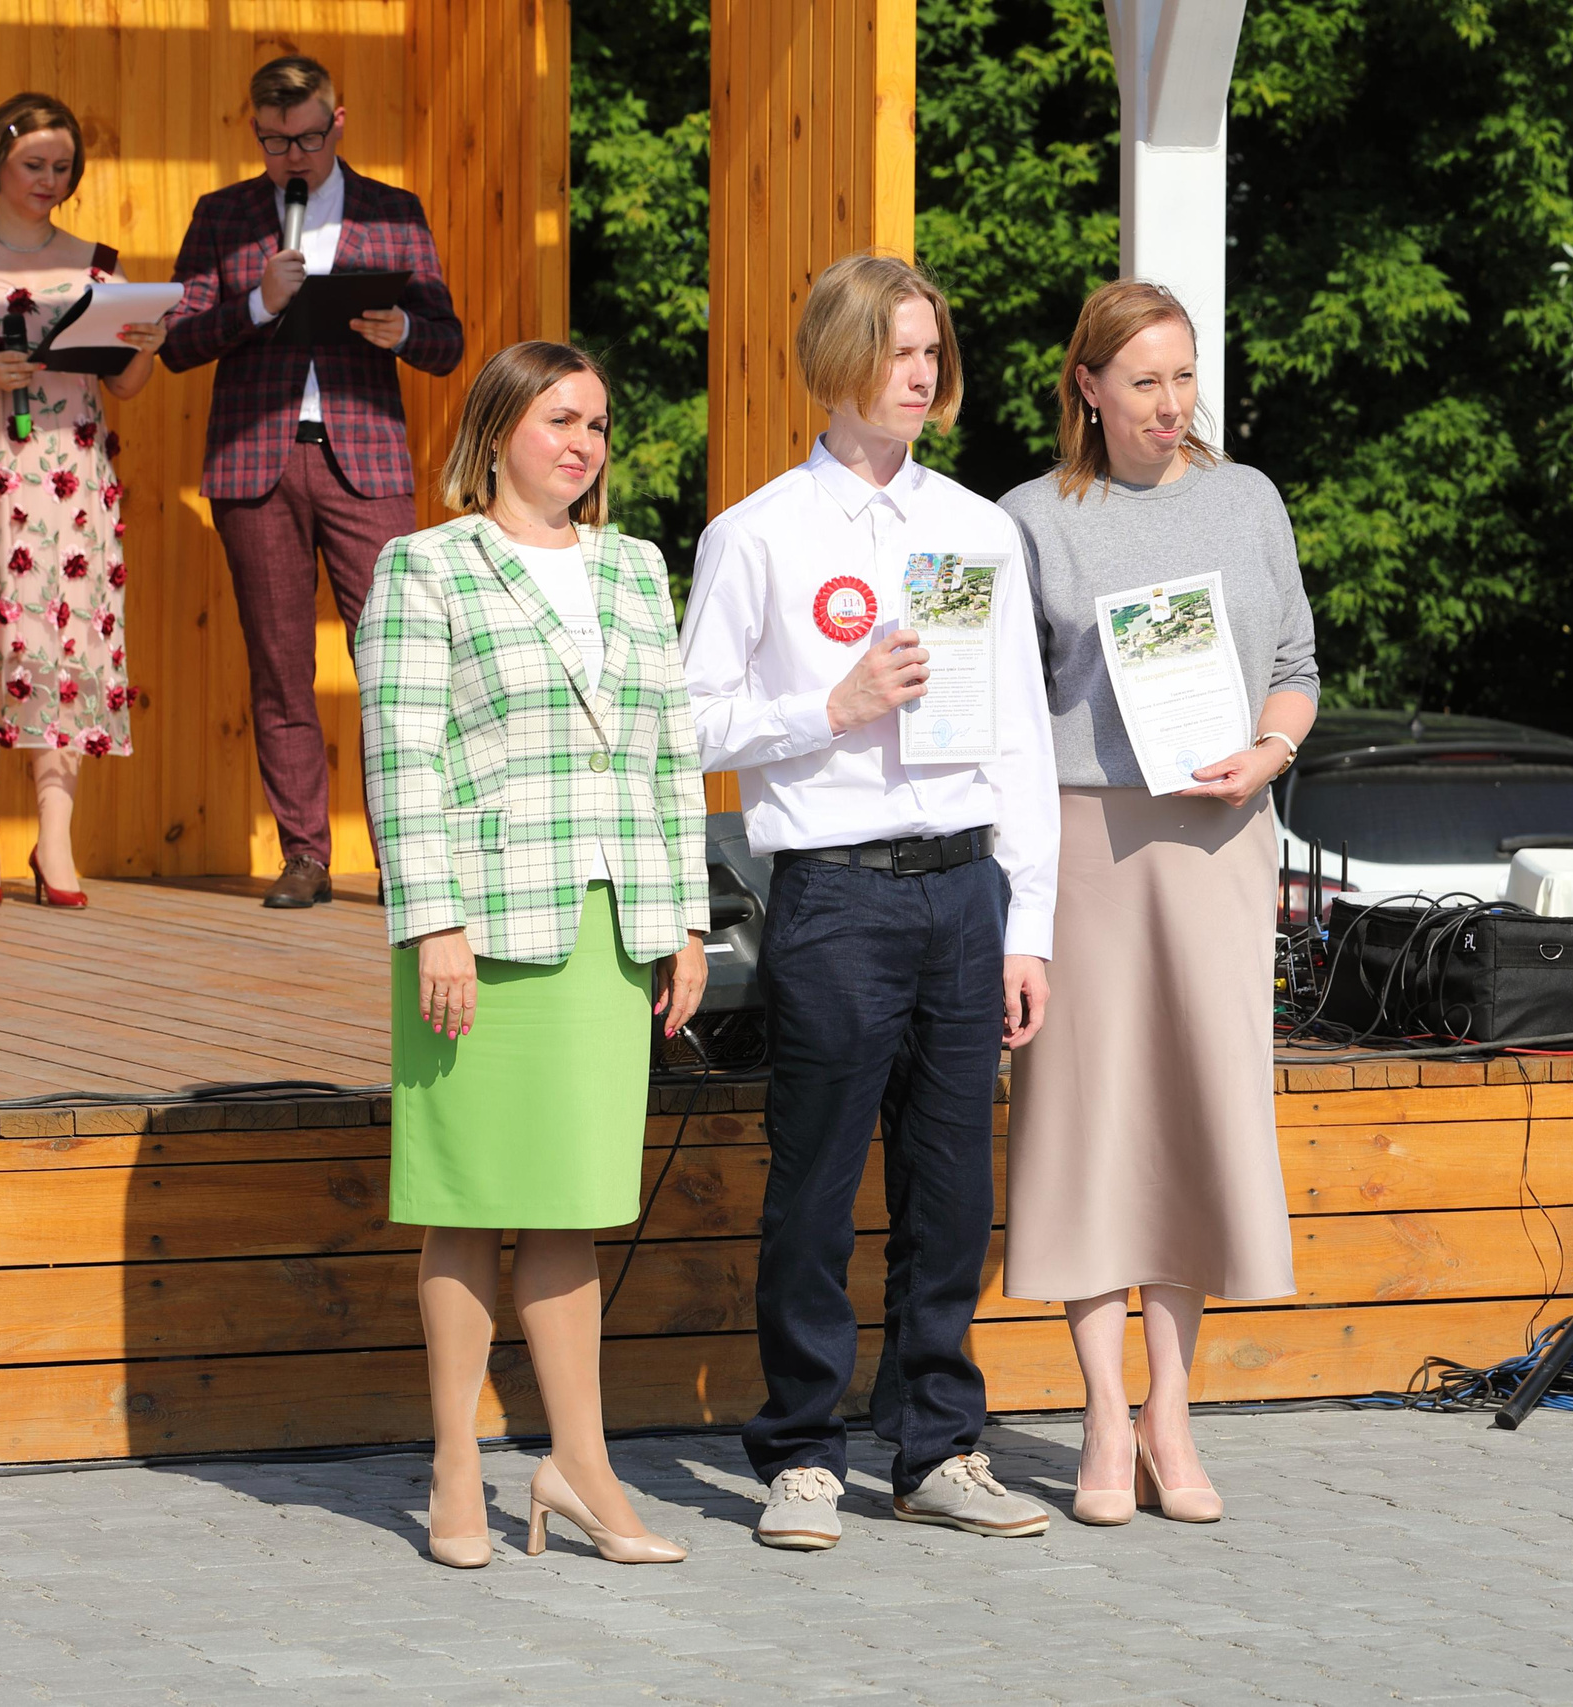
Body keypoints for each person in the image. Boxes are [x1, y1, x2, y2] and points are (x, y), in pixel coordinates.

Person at [680, 253, 1059, 1550]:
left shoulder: (975, 528)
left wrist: (1028, 925)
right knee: (818, 1178)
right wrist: (821, 709)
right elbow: (690, 719)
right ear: (840, 356)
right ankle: (798, 1450)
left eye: (932, 350)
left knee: (953, 1184)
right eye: (901, 348)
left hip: (963, 887)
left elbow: (1017, 734)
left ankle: (938, 1442)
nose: (923, 371)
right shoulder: (759, 533)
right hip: (834, 891)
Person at [356, 341, 709, 1569]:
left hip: (609, 933)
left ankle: (579, 1469)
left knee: (570, 1209)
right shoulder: (425, 567)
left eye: (599, 425)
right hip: (477, 930)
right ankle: (457, 1468)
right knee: (463, 1203)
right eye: (560, 418)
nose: (584, 443)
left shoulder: (634, 568)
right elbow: (400, 760)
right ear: (497, 426)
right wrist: (431, 922)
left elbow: (668, 756)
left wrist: (684, 924)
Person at [997, 280, 1308, 1526]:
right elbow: (1003, 709)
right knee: (1086, 1128)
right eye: (1143, 382)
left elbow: (1293, 665)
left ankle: (1170, 1413)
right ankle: (1098, 1414)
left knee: (1188, 1123)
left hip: (1221, 844)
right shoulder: (1026, 520)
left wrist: (1270, 752)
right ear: (1086, 387)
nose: (1171, 405)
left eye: (1184, 378)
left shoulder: (1249, 501)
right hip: (1084, 849)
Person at [165, 54, 463, 909]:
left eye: (301, 137)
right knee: (280, 667)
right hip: (255, 465)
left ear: (338, 122)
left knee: (398, 667)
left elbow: (446, 344)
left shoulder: (392, 213)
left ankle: (406, 858)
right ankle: (305, 855)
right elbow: (179, 342)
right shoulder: (223, 216)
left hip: (364, 463)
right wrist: (255, 305)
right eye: (270, 140)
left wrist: (401, 325)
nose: (287, 155)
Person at [0, 93, 166, 910]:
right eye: (33, 165)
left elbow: (125, 385)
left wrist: (144, 348)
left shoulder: (99, 262)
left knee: (63, 642)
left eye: (61, 167)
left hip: (69, 479)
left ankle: (55, 838)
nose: (49, 180)